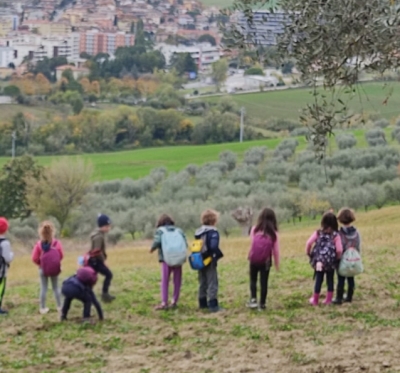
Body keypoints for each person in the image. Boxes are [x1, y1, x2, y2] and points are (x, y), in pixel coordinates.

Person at [150, 214, 188, 310]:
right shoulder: (179, 230)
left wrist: (152, 249)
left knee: (165, 280)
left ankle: (164, 302)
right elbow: (185, 243)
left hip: (166, 259)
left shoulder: (160, 231)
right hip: (179, 258)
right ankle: (174, 301)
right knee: (177, 280)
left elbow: (157, 242)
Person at [306, 212, 343, 306]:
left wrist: (309, 253)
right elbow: (339, 250)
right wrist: (337, 259)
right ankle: (329, 299)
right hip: (330, 263)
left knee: (318, 279)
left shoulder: (318, 233)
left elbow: (309, 243)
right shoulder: (336, 235)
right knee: (330, 280)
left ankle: (315, 300)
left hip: (319, 262)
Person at [247, 208, 280, 311]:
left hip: (253, 259)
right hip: (266, 261)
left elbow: (252, 244)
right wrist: (276, 263)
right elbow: (276, 250)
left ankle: (253, 299)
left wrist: (250, 256)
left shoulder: (254, 229)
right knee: (264, 281)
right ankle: (262, 304)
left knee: (253, 280)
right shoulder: (274, 233)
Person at [32, 221, 64, 314]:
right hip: (54, 269)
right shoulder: (57, 243)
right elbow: (61, 255)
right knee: (56, 287)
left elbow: (34, 258)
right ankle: (60, 306)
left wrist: (41, 264)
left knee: (43, 288)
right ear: (53, 231)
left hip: (43, 269)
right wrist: (55, 263)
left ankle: (42, 308)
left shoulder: (38, 245)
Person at [195, 209, 224, 313]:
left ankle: (202, 302)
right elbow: (213, 246)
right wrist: (218, 255)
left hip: (199, 259)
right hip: (210, 260)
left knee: (202, 281)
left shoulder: (198, 232)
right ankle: (213, 304)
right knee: (212, 282)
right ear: (214, 220)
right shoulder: (213, 232)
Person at [333, 208, 361, 305]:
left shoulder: (339, 233)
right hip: (352, 259)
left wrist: (337, 257)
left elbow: (338, 247)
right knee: (351, 278)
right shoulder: (357, 232)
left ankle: (339, 298)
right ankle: (349, 296)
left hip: (342, 259)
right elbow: (358, 246)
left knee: (341, 278)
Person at [87, 214, 115, 303]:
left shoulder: (99, 234)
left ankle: (90, 294)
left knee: (92, 278)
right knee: (108, 274)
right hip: (96, 261)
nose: (108, 228)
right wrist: (104, 261)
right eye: (107, 226)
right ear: (102, 226)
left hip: (94, 261)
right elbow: (97, 251)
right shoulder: (98, 236)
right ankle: (104, 295)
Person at [0, 217, 14, 315]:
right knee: (0, 290)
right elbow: (7, 258)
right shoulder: (5, 243)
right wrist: (12, 254)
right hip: (1, 272)